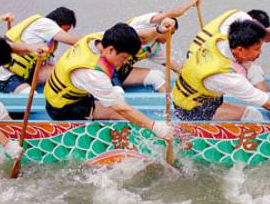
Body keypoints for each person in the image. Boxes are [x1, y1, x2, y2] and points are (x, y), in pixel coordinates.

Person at [173, 19, 270, 135]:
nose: (260, 53)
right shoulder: (226, 77)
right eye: (257, 49)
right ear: (240, 50)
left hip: (192, 94)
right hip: (192, 110)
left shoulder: (223, 38)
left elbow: (267, 34)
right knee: (254, 115)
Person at [42, 23, 174, 141]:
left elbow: (141, 37)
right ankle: (137, 142)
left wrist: (159, 30)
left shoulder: (100, 38)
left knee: (118, 98)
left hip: (69, 88)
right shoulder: (94, 74)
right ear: (111, 50)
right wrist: (155, 127)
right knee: (116, 112)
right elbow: (121, 109)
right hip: (62, 107)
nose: (125, 62)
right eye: (124, 57)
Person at [187, 8, 270, 92]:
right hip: (203, 61)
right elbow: (269, 34)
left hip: (197, 58)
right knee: (253, 71)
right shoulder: (241, 20)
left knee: (249, 67)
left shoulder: (237, 24)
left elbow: (267, 36)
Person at [113, 0, 201, 92]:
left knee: (158, 76)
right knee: (155, 78)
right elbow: (175, 13)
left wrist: (199, 79)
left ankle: (171, 104)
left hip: (121, 71)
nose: (169, 38)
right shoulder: (144, 22)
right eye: (170, 33)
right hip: (106, 66)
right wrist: (191, 3)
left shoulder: (153, 48)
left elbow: (177, 68)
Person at [0, 7, 81, 94]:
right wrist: (94, 40)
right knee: (34, 98)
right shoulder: (45, 23)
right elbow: (75, 41)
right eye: (66, 30)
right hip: (4, 78)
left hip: (23, 75)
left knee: (66, 72)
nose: (65, 33)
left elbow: (47, 68)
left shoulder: (49, 41)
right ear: (61, 24)